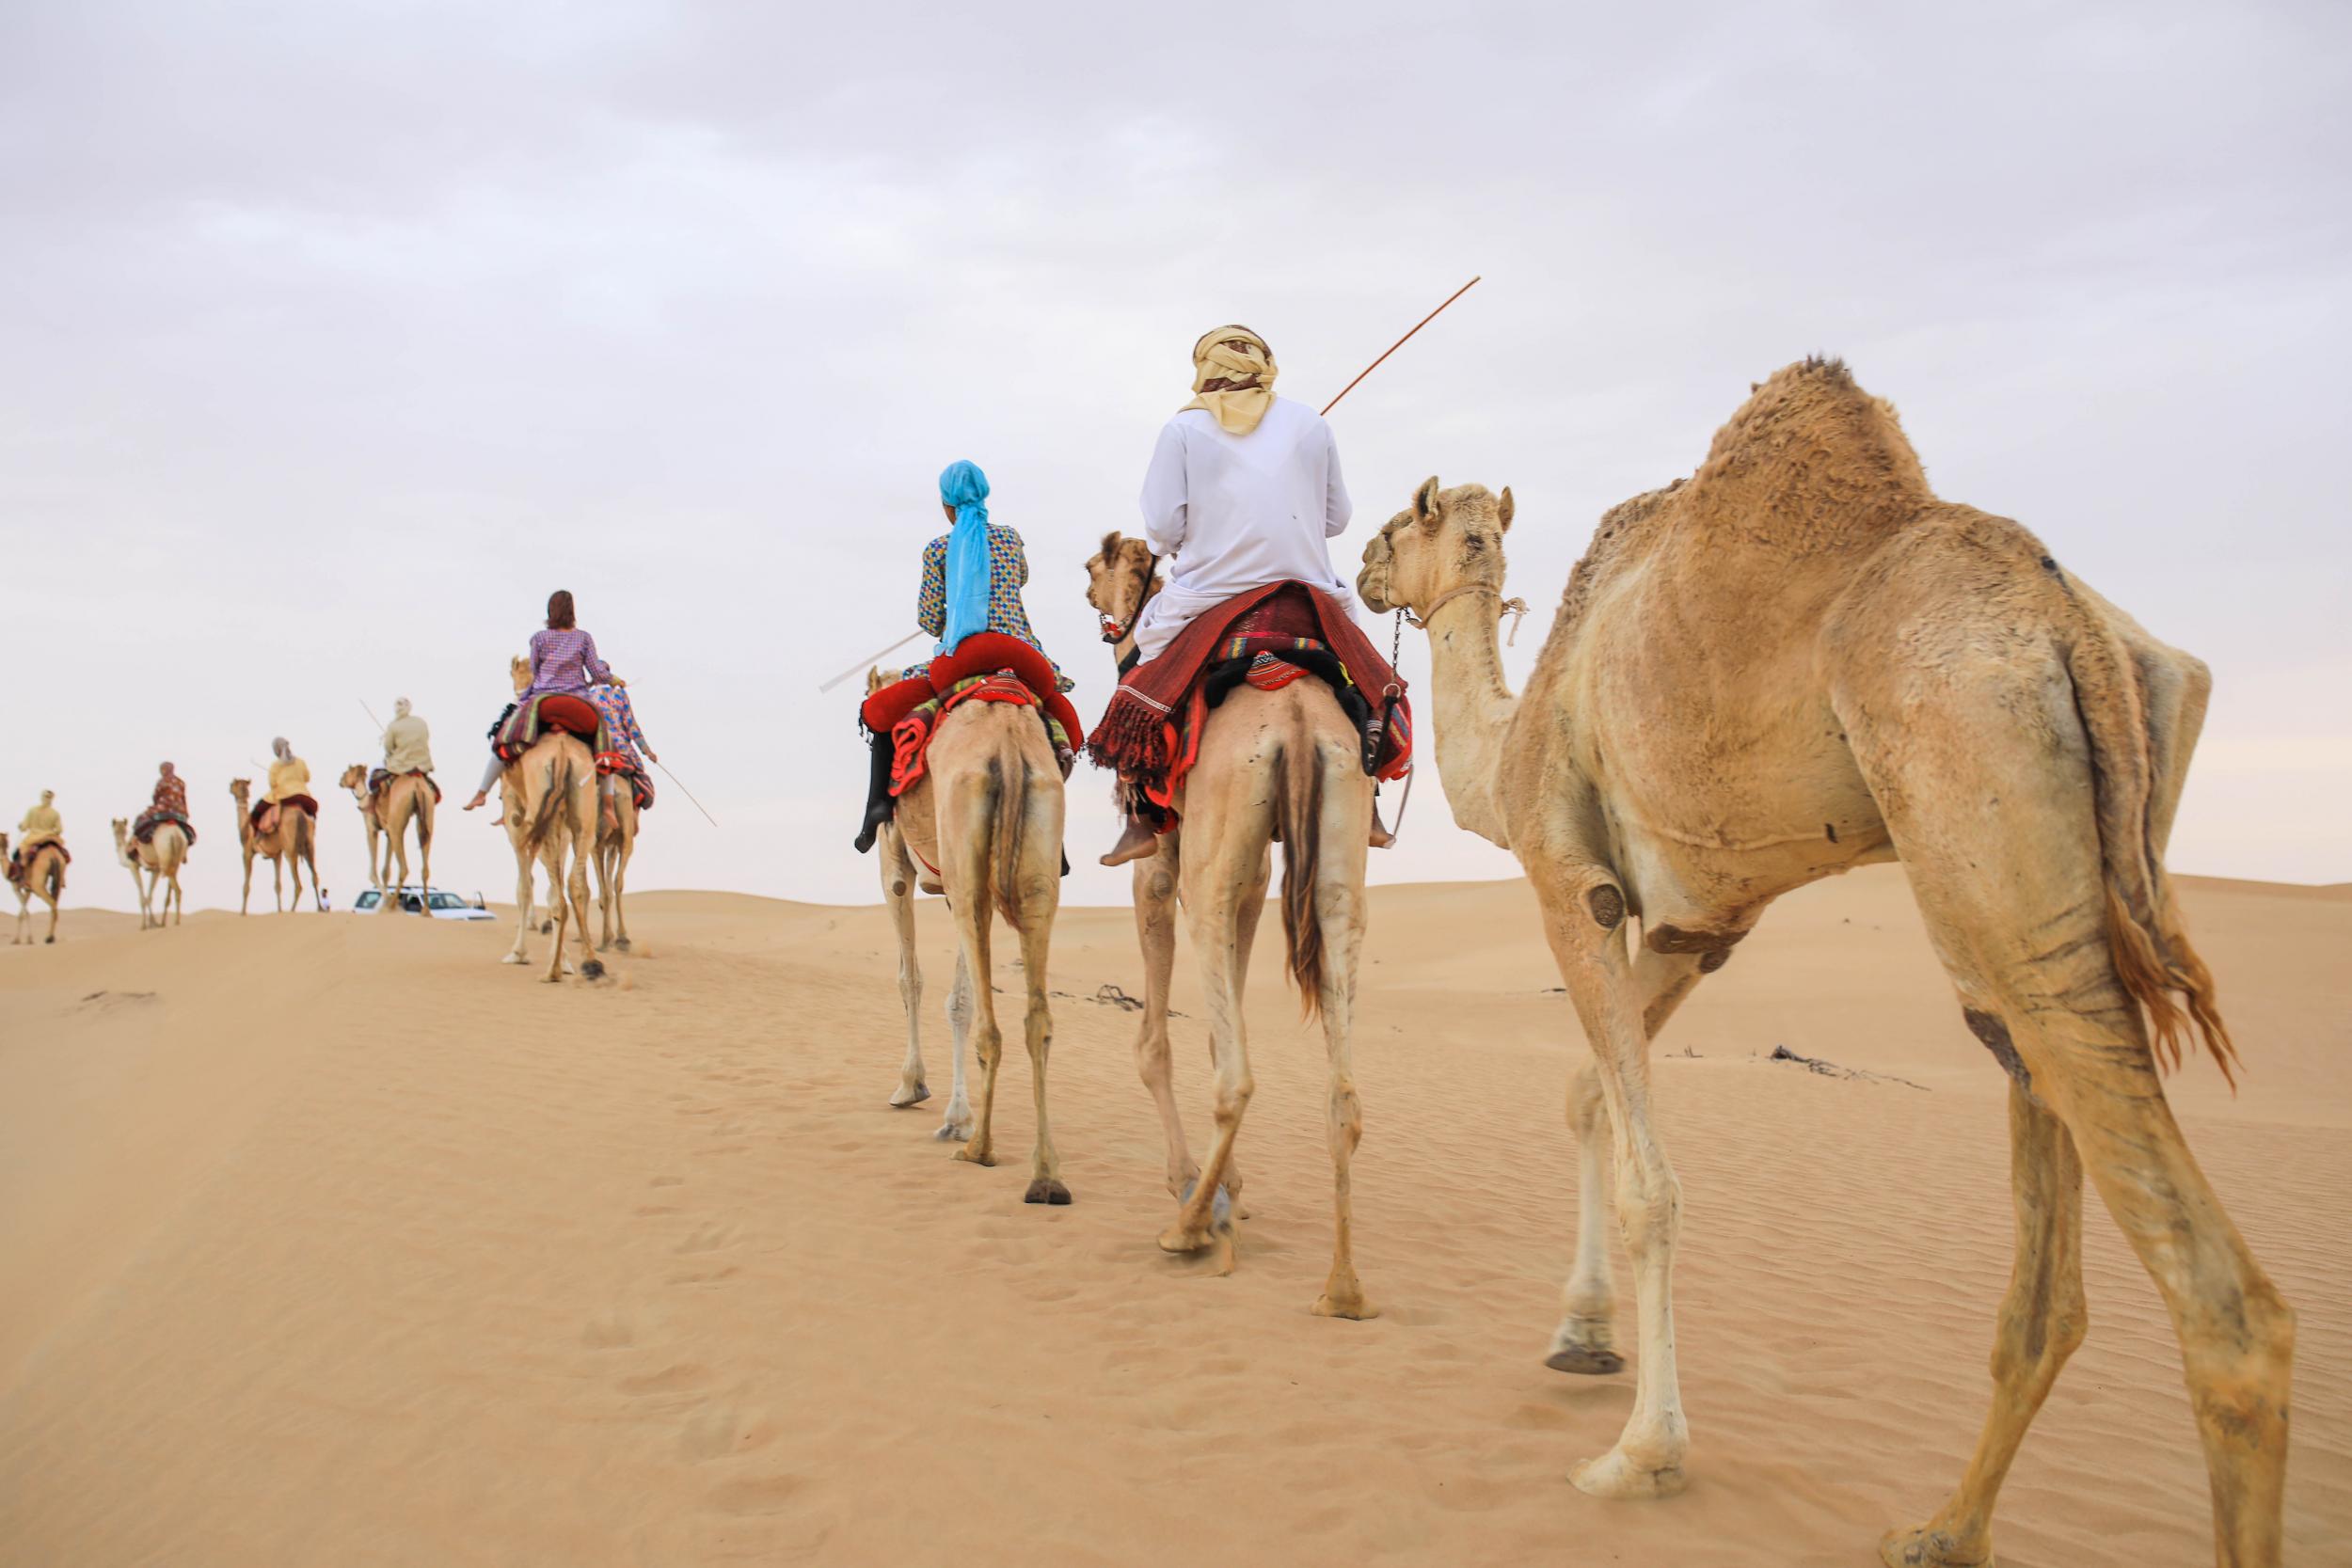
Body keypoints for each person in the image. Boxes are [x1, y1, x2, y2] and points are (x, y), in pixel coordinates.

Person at [1099, 325, 1380, 864]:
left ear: (1205, 368)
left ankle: (1140, 813)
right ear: (1264, 364)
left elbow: (1160, 530)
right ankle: (1370, 799)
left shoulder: (1183, 430)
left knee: (1137, 678)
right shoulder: (1310, 423)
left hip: (1208, 595)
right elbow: (1337, 519)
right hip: (1306, 588)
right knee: (1365, 676)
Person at [852, 460, 1083, 852]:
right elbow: (1021, 578)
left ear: (947, 505)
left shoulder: (939, 549)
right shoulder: (1011, 539)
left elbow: (929, 618)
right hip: (1022, 655)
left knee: (880, 710)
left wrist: (956, 603)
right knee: (1054, 710)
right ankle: (1052, 832)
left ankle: (877, 806)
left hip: (964, 655)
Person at [467, 590, 621, 812]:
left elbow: (536, 672)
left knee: (505, 737)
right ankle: (608, 805)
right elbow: (597, 673)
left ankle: (482, 793)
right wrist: (614, 679)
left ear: (551, 611)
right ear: (572, 611)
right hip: (578, 704)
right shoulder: (584, 638)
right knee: (605, 744)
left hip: (543, 703)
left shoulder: (538, 638)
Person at [585, 680, 656, 832]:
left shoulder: (587, 696)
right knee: (638, 775)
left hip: (599, 751)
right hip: (623, 751)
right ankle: (635, 811)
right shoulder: (619, 694)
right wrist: (647, 751)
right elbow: (631, 726)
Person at [253, 737, 313, 837]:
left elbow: (272, 784)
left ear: (276, 750)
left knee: (258, 811)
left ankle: (257, 836)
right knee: (311, 815)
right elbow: (307, 778)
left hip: (285, 796)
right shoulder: (300, 762)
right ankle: (311, 831)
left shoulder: (275, 765)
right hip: (304, 796)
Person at [133, 762, 197, 851]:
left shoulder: (162, 781)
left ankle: (134, 844)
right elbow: (183, 798)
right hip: (180, 813)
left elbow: (155, 796)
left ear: (163, 770)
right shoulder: (181, 782)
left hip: (163, 809)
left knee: (141, 818)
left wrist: (156, 806)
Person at [8, 789, 66, 883]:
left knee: (20, 853)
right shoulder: (55, 813)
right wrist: (51, 832)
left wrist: (21, 826)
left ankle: (21, 874)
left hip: (33, 838)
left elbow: (25, 826)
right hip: (49, 837)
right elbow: (59, 830)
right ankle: (62, 878)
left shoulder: (32, 810)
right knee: (63, 855)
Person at [378, 696, 435, 787]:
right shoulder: (421, 722)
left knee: (376, 778)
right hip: (423, 765)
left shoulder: (393, 726)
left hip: (400, 767)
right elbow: (426, 738)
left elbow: (388, 748)